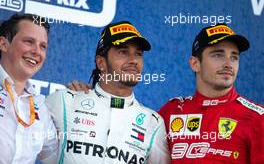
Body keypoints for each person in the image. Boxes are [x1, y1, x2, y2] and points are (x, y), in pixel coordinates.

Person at [45, 21, 171, 164]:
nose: (133, 60)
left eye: (138, 54)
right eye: (123, 52)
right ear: (101, 63)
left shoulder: (153, 123)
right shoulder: (63, 101)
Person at [159, 23, 264, 163]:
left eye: (234, 57)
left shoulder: (257, 118)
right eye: (218, 55)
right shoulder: (171, 112)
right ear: (195, 64)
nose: (228, 64)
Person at [0, 13, 58, 164]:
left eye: (43, 46)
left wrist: (79, 100)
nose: (37, 51)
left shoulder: (41, 108)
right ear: (3, 44)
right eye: (29, 41)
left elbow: (57, 157)